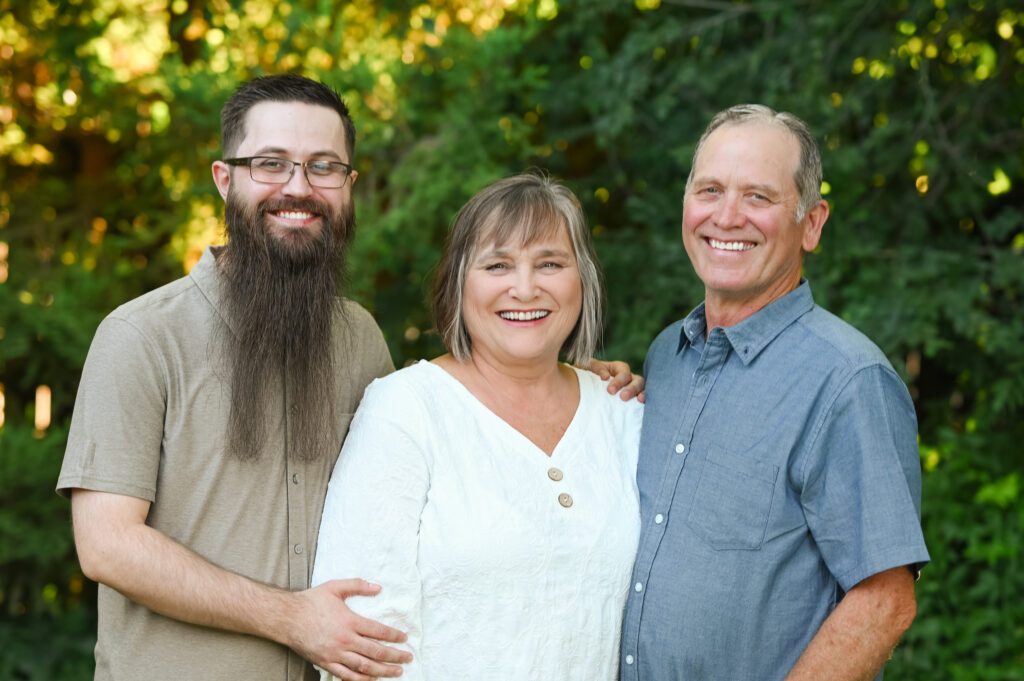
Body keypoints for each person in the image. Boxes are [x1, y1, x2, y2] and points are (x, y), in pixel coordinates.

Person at [56, 75, 640, 681]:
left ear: (349, 185)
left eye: (324, 167)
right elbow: (107, 545)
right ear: (224, 180)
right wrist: (288, 618)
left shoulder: (357, 337)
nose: (299, 187)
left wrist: (576, 377)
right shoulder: (142, 337)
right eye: (271, 164)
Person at [619, 104, 930, 681]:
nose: (727, 216)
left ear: (811, 223)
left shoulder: (848, 380)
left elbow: (885, 600)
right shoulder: (668, 355)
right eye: (709, 189)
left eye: (759, 197)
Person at [311, 172, 644, 681]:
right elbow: (362, 638)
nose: (526, 287)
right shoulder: (405, 410)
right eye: (498, 265)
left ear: (583, 280)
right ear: (459, 282)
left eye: (550, 263)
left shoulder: (624, 412)